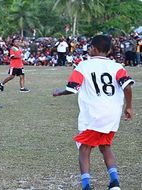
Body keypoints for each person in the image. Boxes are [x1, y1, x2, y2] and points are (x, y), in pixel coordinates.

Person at [53, 35, 134, 190]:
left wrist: (59, 92)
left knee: (84, 148)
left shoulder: (83, 66)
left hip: (93, 114)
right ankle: (114, 182)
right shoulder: (117, 67)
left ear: (94, 49)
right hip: (112, 114)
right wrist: (128, 107)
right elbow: (127, 86)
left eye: (90, 47)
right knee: (105, 146)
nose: (89, 49)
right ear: (109, 50)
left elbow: (72, 88)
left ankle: (86, 185)